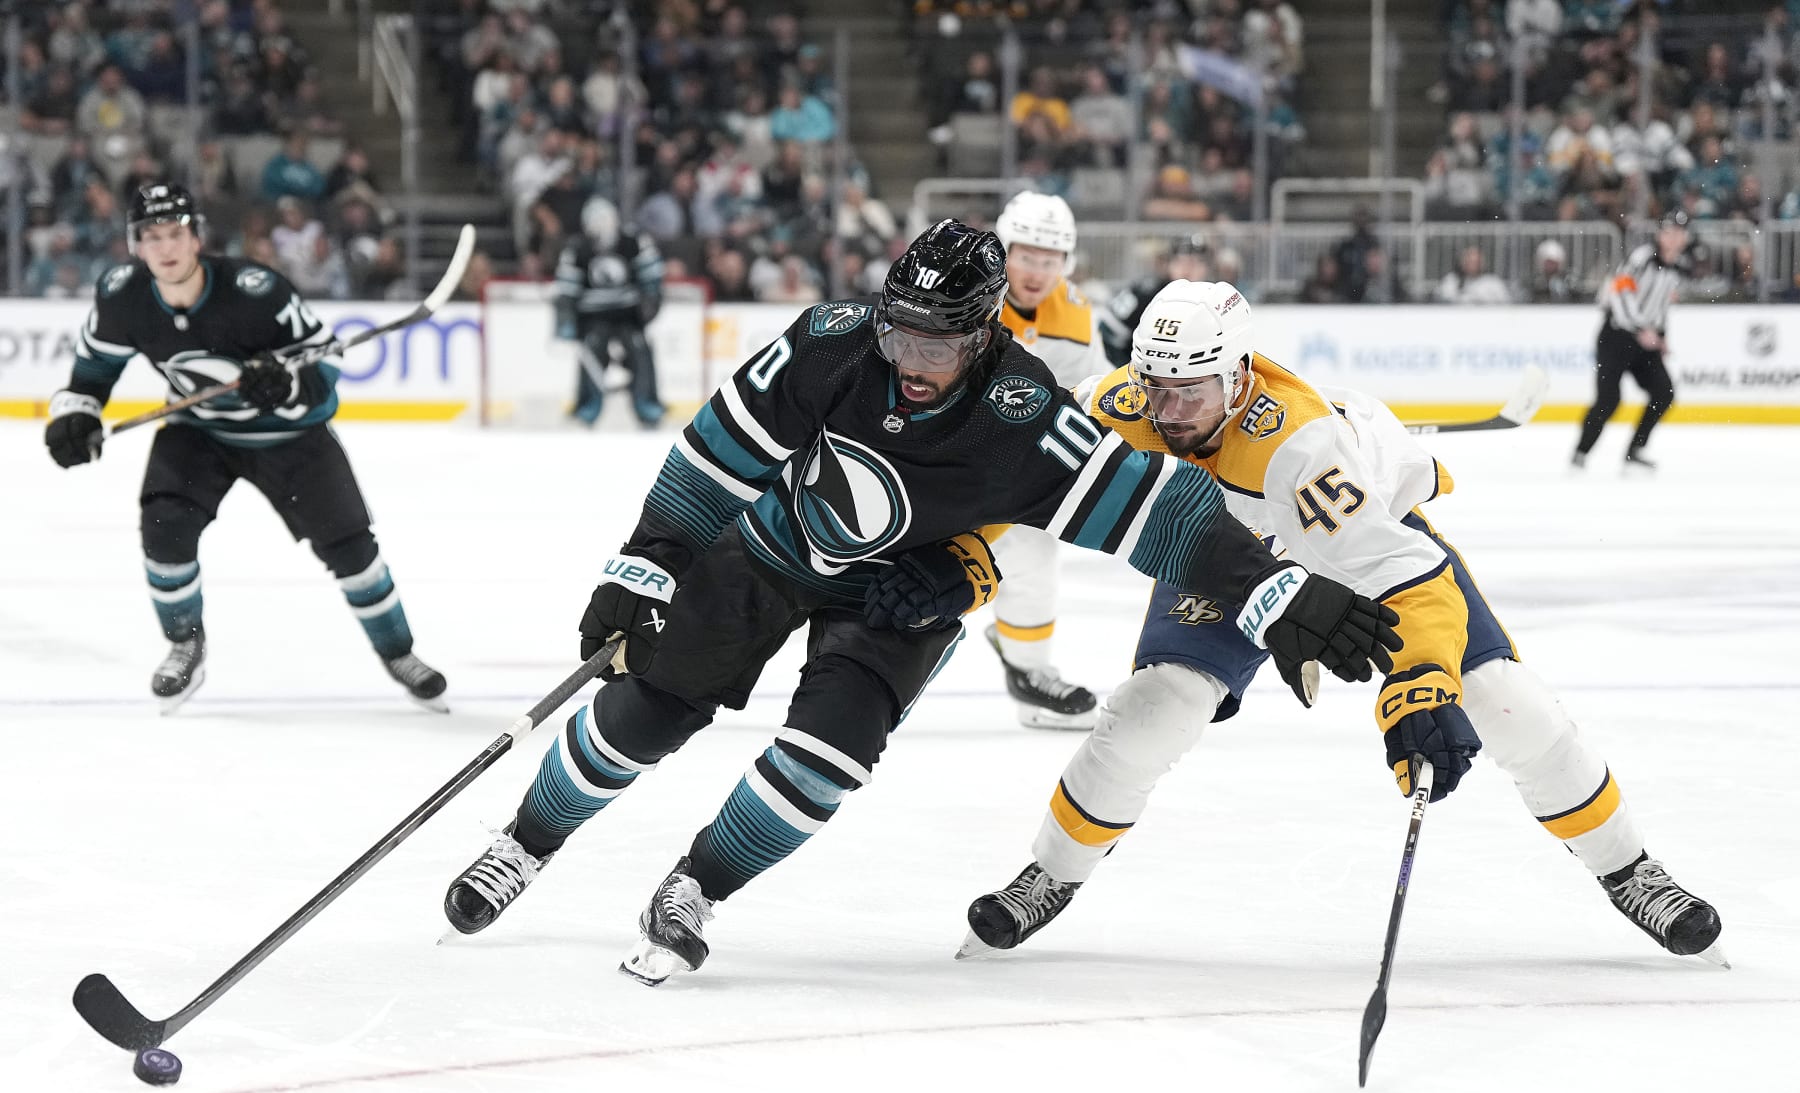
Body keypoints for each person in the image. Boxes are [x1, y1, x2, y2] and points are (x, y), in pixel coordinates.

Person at [440, 221, 1401, 985]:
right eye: (899, 328)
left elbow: (1162, 512)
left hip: (899, 594)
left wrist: (1281, 591)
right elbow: (712, 459)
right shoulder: (830, 342)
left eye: (936, 343)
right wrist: (644, 566)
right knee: (642, 709)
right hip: (773, 550)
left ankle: (697, 886)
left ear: (983, 334)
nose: (910, 357)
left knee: (828, 761)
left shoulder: (1022, 416)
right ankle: (524, 846)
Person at [956, 279, 1723, 967]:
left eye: (1190, 392)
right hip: (1224, 561)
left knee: (1503, 699)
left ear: (1239, 375)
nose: (1168, 412)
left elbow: (1410, 578)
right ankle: (1049, 874)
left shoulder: (1302, 449)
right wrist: (960, 563)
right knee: (1150, 713)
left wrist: (1421, 685)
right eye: (1156, 387)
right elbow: (1019, 483)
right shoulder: (1118, 404)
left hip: (1354, 555)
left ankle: (1630, 868)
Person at [42, 184, 447, 712]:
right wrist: (75, 415)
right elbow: (91, 373)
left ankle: (399, 652)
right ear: (136, 245)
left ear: (197, 237)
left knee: (353, 551)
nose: (166, 248)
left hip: (292, 438)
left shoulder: (257, 291)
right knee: (164, 526)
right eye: (152, 237)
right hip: (200, 433)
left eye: (176, 234)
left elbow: (323, 371)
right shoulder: (123, 297)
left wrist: (286, 384)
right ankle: (184, 643)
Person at [985, 191, 1112, 729]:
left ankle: (1027, 670)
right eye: (1026, 255)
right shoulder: (970, 296)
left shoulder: (1078, 314)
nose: (1037, 270)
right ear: (1002, 250)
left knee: (1033, 558)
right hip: (935, 461)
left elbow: (1097, 389)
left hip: (1013, 470)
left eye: (1050, 258)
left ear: (1068, 261)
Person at [1573, 211, 1688, 472]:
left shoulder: (1677, 266)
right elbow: (1620, 294)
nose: (1672, 239)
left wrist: (1661, 337)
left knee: (1663, 392)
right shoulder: (1641, 259)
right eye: (1668, 232)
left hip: (1645, 341)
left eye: (1678, 234)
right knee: (1609, 400)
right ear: (1660, 234)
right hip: (1617, 336)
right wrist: (1641, 329)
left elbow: (1660, 306)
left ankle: (1634, 452)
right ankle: (1581, 453)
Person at [554, 197, 666, 428]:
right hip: (593, 317)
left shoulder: (634, 241)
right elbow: (566, 288)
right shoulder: (577, 248)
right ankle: (587, 407)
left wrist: (650, 302)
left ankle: (647, 406)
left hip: (629, 315)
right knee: (592, 351)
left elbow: (652, 276)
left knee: (639, 349)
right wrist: (566, 320)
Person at [1097, 235, 1211, 366]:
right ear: (1169, 264)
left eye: (1195, 263)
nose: (1187, 269)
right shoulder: (1144, 293)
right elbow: (1107, 331)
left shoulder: (1214, 300)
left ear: (1206, 267)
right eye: (1181, 261)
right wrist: (1122, 369)